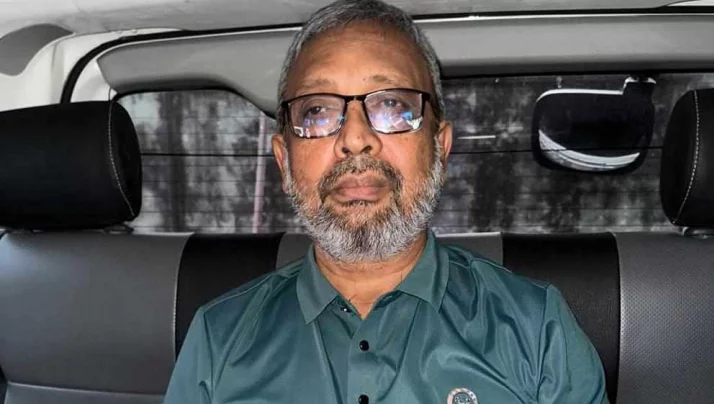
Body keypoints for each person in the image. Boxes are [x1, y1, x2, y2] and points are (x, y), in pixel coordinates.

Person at [163, 0, 609, 403]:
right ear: (284, 161)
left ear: (440, 149)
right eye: (317, 112)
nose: (355, 139)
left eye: (393, 106)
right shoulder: (219, 339)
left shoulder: (535, 327)